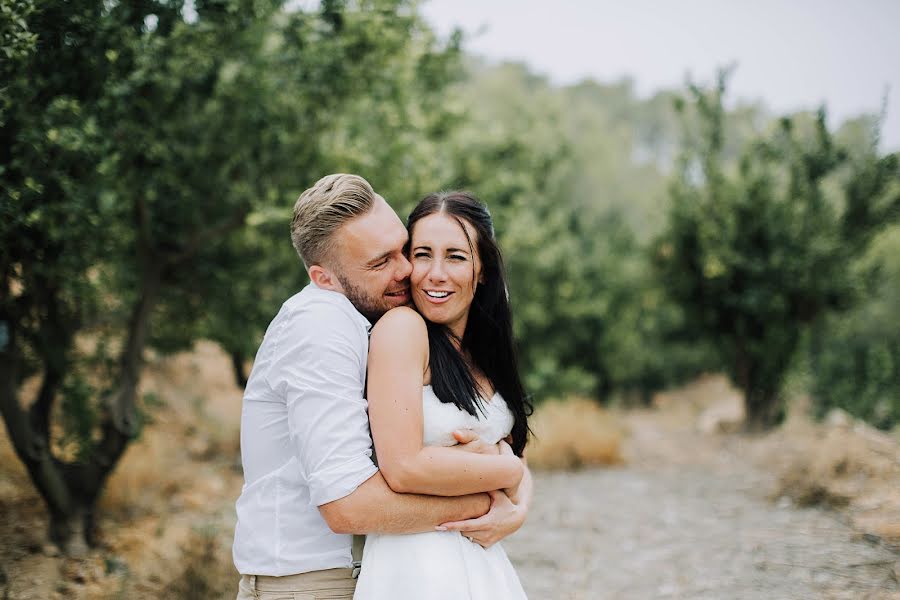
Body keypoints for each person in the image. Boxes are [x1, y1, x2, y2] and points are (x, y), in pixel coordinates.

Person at [232, 175, 531, 600]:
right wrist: (495, 496)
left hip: (386, 571)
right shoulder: (321, 327)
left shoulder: (403, 324)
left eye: (402, 248)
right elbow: (348, 506)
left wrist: (514, 493)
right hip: (312, 583)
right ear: (325, 278)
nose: (410, 271)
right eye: (381, 262)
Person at [353, 191, 532, 599]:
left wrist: (517, 508)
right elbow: (403, 467)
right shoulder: (402, 329)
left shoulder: (484, 348)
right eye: (422, 254)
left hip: (484, 564)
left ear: (482, 268)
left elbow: (510, 448)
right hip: (415, 567)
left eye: (455, 256)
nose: (436, 273)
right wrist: (509, 474)